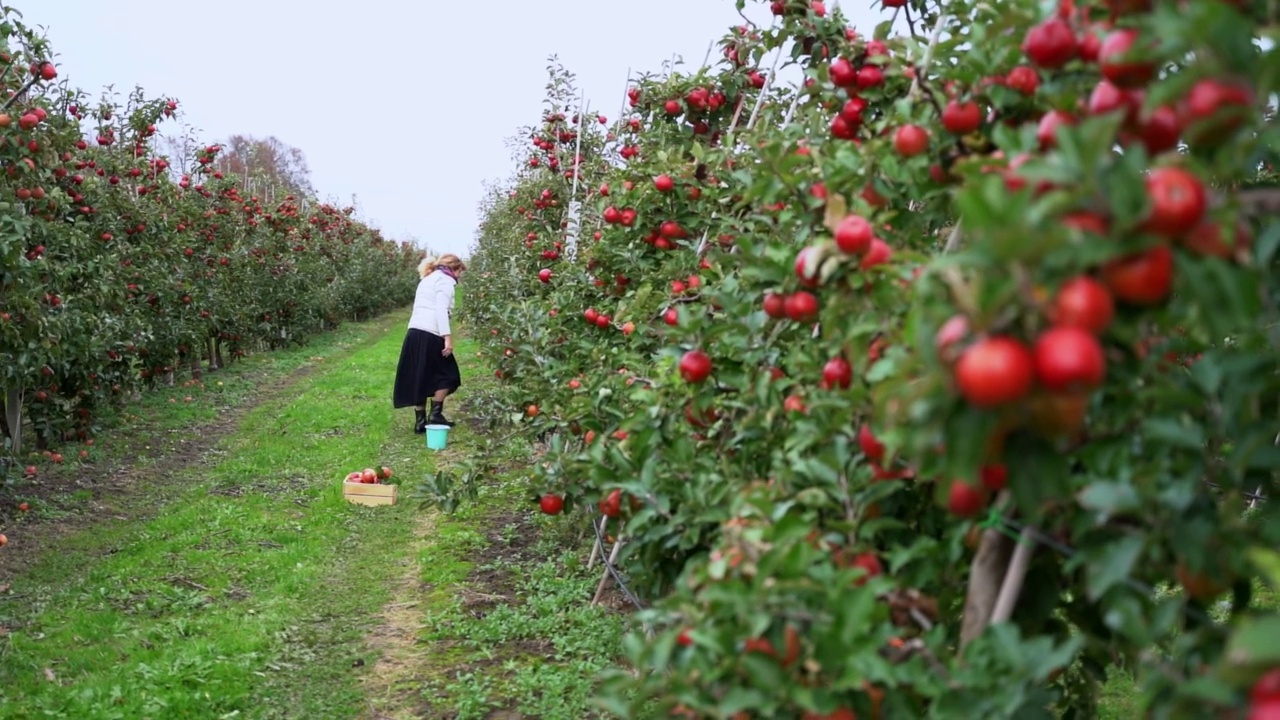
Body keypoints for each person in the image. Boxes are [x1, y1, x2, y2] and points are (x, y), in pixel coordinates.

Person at [393, 253, 465, 433]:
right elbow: (440, 309)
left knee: (419, 375)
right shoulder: (445, 281)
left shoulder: (427, 279)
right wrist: (447, 336)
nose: (460, 276)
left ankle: (420, 422)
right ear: (454, 269)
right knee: (449, 375)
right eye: (460, 272)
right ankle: (436, 414)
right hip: (431, 332)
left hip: (414, 331)